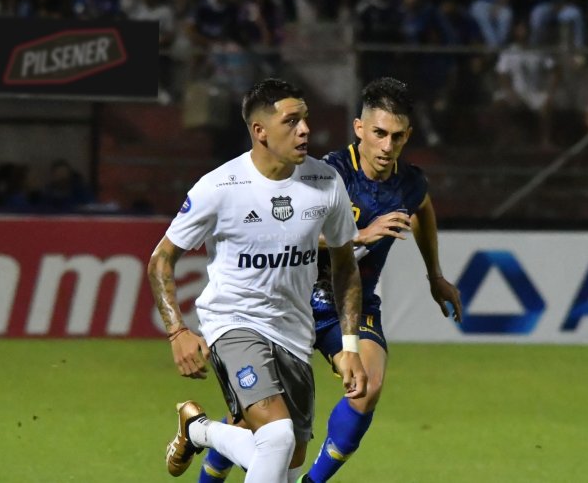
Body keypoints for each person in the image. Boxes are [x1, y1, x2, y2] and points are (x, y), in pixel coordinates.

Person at [196, 77, 464, 483]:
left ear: (408, 135)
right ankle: (209, 456)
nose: (387, 146)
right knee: (257, 424)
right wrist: (360, 235)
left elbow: (422, 208)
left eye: (396, 136)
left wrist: (435, 275)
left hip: (350, 304)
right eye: (378, 134)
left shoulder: (409, 182)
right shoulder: (325, 174)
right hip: (295, 301)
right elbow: (285, 231)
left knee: (367, 386)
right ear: (360, 129)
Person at [148, 78, 368, 483]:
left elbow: (345, 266)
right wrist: (177, 330)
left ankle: (198, 429)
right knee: (278, 439)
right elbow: (161, 258)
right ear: (259, 131)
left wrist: (350, 346)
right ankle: (202, 430)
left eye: (305, 119)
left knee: (283, 466)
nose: (304, 130)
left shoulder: (325, 183)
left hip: (294, 335)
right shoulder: (220, 187)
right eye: (291, 121)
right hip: (233, 324)